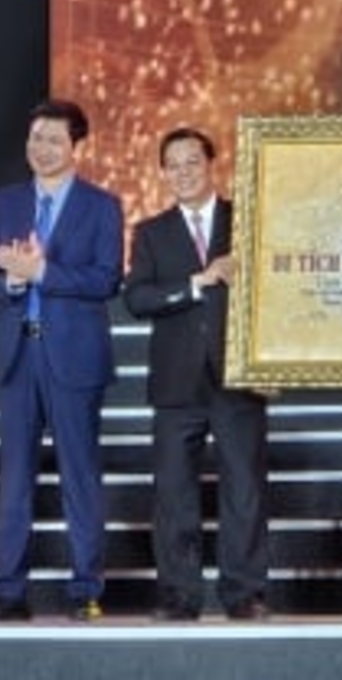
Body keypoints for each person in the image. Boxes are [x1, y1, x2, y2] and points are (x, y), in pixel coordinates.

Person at [0, 98, 124, 622]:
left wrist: (42, 273)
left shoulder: (102, 206)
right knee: (15, 479)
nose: (43, 148)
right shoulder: (6, 202)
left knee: (80, 476)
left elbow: (106, 279)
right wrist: (13, 281)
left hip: (75, 358)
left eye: (55, 140)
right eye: (36, 138)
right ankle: (8, 592)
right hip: (19, 354)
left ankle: (86, 591)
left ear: (77, 147)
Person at [122, 126, 269, 621]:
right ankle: (180, 596)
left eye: (192, 162)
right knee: (173, 494)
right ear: (163, 173)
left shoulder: (246, 219)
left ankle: (244, 594)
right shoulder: (151, 232)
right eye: (173, 165)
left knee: (244, 488)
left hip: (238, 376)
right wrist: (196, 282)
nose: (183, 172)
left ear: (211, 165)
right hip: (175, 381)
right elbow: (137, 298)